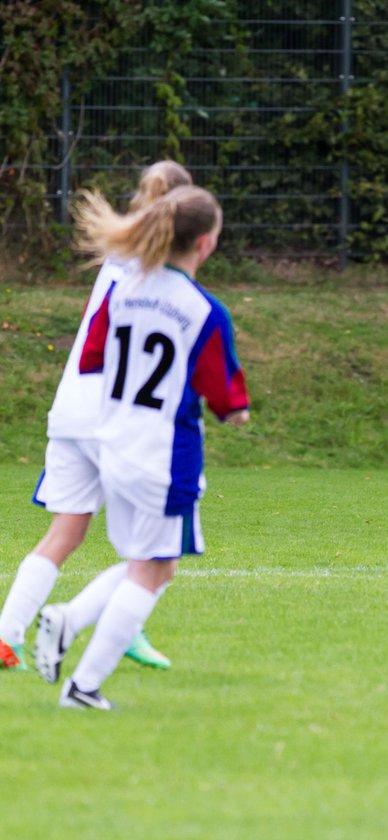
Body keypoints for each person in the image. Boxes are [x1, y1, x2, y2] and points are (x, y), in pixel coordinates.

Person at [32, 184, 250, 710]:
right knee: (153, 569)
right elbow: (229, 402)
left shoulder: (123, 292)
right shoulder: (203, 311)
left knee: (153, 562)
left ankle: (69, 621)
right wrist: (235, 410)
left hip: (113, 445)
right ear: (205, 244)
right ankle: (83, 686)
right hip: (163, 456)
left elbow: (91, 359)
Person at [0, 161, 193, 675]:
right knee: (155, 552)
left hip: (71, 410)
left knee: (65, 533)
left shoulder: (119, 252)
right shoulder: (165, 272)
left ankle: (5, 636)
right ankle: (105, 625)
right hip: (118, 417)